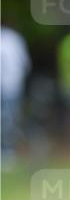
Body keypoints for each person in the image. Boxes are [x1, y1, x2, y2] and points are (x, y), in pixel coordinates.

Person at [0, 23, 31, 167]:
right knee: (9, 119)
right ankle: (7, 149)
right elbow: (25, 64)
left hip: (11, 85)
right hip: (13, 85)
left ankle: (7, 150)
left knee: (8, 119)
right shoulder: (15, 39)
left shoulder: (12, 39)